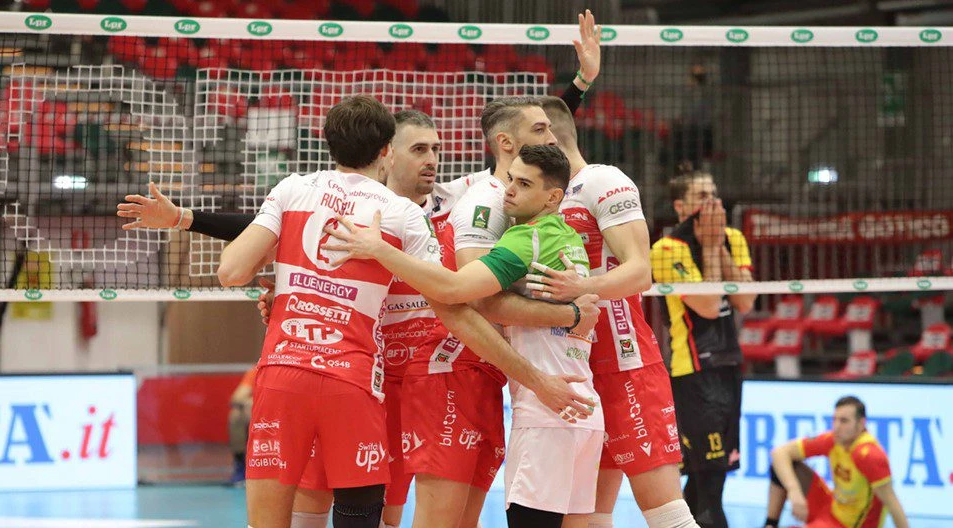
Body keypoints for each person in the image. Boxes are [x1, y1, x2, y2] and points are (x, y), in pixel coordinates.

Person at [217, 95, 594, 528]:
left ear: (326, 143)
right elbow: (455, 303)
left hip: (285, 373)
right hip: (354, 382)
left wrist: (281, 276)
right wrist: (550, 354)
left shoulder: (291, 189)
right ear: (386, 151)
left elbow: (231, 271)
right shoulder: (400, 214)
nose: (432, 159)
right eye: (419, 149)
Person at [322, 144, 604, 528]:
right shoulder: (569, 238)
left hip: (548, 410)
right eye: (510, 180)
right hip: (584, 409)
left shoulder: (528, 238)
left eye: (524, 184)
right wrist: (571, 314)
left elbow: (455, 290)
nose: (508, 191)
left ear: (553, 197)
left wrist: (379, 249)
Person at [527, 97, 701, 528]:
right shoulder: (540, 197)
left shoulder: (601, 180)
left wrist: (582, 288)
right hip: (574, 368)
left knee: (667, 514)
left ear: (549, 137)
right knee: (586, 515)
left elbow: (640, 272)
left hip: (623, 362)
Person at [648, 165, 757, 528]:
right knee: (709, 485)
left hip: (730, 366)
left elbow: (745, 302)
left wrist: (718, 245)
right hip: (692, 372)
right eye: (701, 197)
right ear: (680, 207)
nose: (711, 203)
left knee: (708, 479)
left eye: (714, 195)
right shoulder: (666, 249)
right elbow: (709, 306)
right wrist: (710, 248)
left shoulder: (732, 237)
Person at [764, 396, 910, 528]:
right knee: (782, 466)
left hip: (849, 525)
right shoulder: (833, 441)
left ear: (861, 424)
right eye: (835, 419)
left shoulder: (869, 456)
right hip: (831, 508)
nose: (836, 426)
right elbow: (779, 453)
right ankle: (770, 524)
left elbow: (893, 505)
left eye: (844, 421)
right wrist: (794, 491)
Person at [228, 366, 257, 486]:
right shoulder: (256, 371)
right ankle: (241, 466)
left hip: (282, 412)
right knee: (236, 416)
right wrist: (249, 403)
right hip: (257, 413)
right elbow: (237, 397)